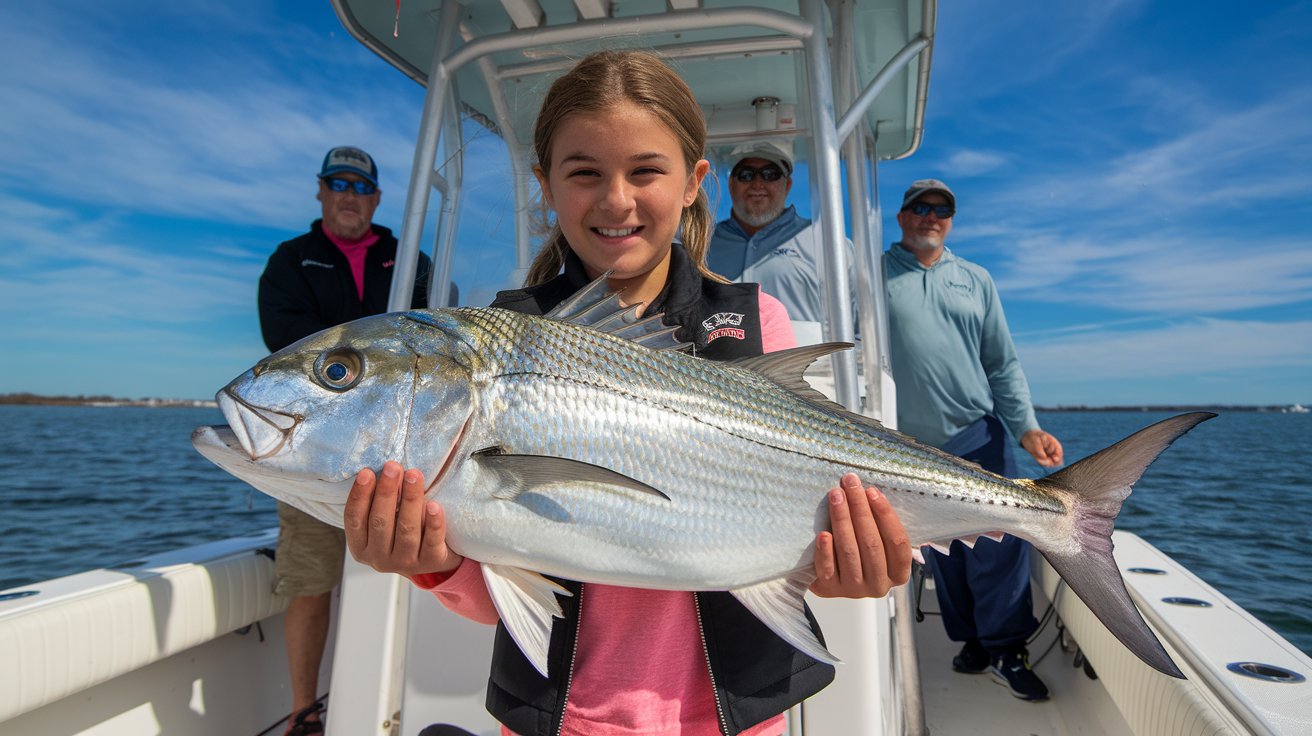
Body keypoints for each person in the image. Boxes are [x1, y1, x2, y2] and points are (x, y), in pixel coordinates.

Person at [342, 50, 913, 736]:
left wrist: (844, 567)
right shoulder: (508, 334)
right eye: (584, 173)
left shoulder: (755, 324)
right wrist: (435, 564)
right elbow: (505, 588)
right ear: (545, 186)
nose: (616, 200)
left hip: (732, 718)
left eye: (646, 171)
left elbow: (784, 523)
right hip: (559, 718)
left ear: (694, 181)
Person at [257, 145, 431, 735]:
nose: (350, 194)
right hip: (316, 451)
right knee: (309, 578)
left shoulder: (406, 259)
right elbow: (287, 343)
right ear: (321, 191)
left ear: (377, 197)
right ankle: (305, 712)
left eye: (361, 185)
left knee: (413, 563)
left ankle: (397, 701)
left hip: (407, 449)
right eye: (338, 183)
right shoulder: (292, 261)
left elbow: (435, 336)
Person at [883, 178, 1064, 702]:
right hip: (904, 446)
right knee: (943, 549)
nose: (930, 217)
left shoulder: (976, 279)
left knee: (999, 541)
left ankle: (1007, 647)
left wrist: (1027, 426)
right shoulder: (871, 273)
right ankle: (972, 643)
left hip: (976, 436)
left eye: (942, 210)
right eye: (920, 207)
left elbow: (1001, 363)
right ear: (902, 217)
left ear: (951, 221)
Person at [706, 140, 855, 398]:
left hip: (808, 388)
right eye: (746, 174)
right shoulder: (702, 244)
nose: (757, 183)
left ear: (787, 185)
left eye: (770, 174)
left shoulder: (830, 243)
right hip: (718, 388)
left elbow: (858, 328)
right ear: (731, 184)